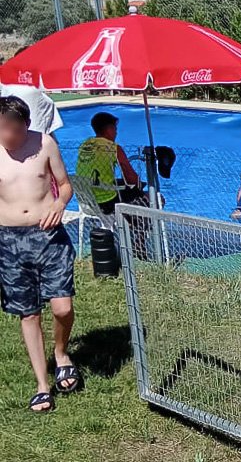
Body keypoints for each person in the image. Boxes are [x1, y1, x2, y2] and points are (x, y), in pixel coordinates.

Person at [0, 96, 78, 413]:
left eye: (13, 129)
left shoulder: (44, 144)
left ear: (26, 126)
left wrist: (60, 204)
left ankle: (61, 353)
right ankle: (42, 385)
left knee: (61, 308)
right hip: (9, 240)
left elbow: (65, 185)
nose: (8, 136)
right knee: (28, 313)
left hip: (48, 236)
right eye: (2, 128)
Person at [76, 112, 148, 214]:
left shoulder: (85, 145)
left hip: (86, 199)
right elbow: (130, 177)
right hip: (106, 202)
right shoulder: (113, 148)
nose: (116, 133)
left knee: (119, 183)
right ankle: (141, 228)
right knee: (148, 196)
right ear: (109, 129)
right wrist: (139, 186)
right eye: (115, 129)